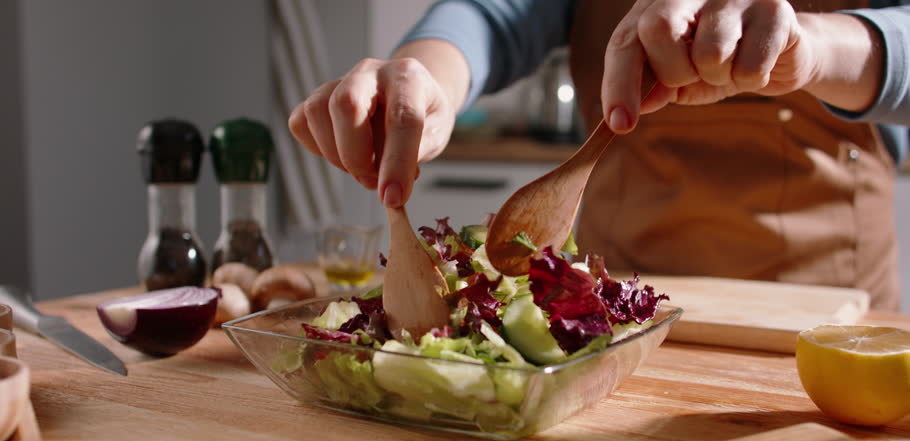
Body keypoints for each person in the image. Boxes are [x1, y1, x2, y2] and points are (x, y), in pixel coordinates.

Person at [289, 0, 910, 310]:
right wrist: (420, 79)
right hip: (620, 313)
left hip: (826, 318)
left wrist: (817, 48)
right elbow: (492, 15)